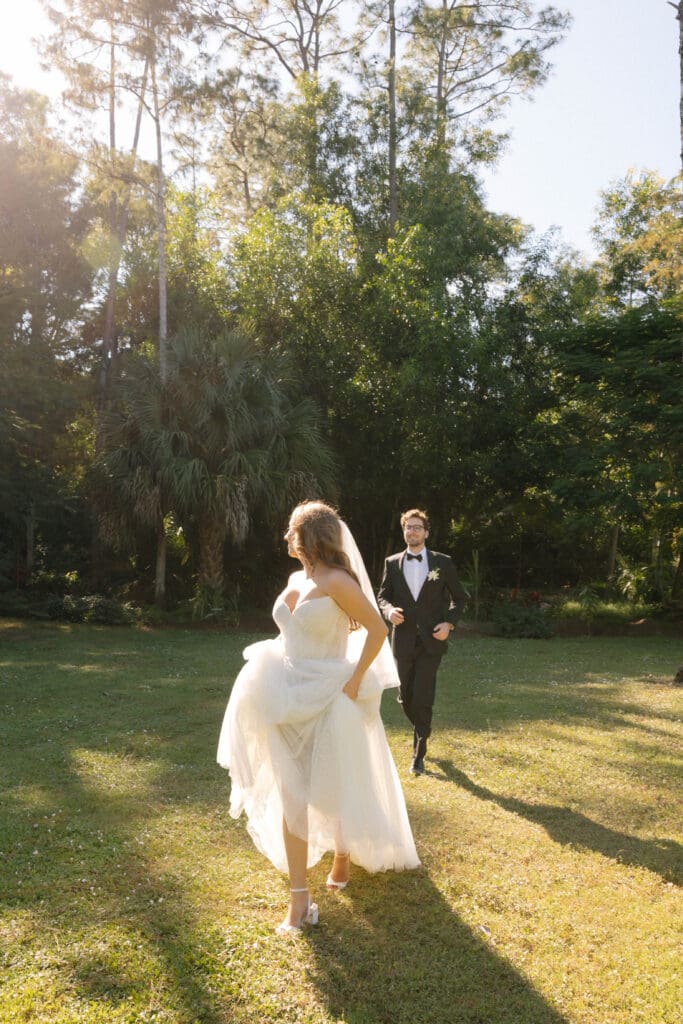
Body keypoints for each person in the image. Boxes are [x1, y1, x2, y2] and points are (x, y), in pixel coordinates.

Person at [217, 500, 420, 935]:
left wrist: (354, 681)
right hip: (287, 691)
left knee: (333, 783)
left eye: (292, 531)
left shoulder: (338, 581)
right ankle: (299, 899)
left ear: (310, 536)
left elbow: (378, 629)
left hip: (329, 693)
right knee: (292, 792)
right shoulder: (298, 577)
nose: (286, 537)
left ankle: (343, 853)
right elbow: (291, 630)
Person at [377, 508, 467, 777]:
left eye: (417, 527)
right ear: (404, 531)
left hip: (431, 642)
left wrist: (449, 623)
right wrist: (388, 610)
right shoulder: (392, 563)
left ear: (426, 532)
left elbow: (460, 598)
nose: (412, 531)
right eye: (408, 527)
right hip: (402, 640)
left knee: (424, 696)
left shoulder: (443, 562)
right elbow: (382, 596)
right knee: (406, 697)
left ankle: (419, 753)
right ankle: (423, 728)